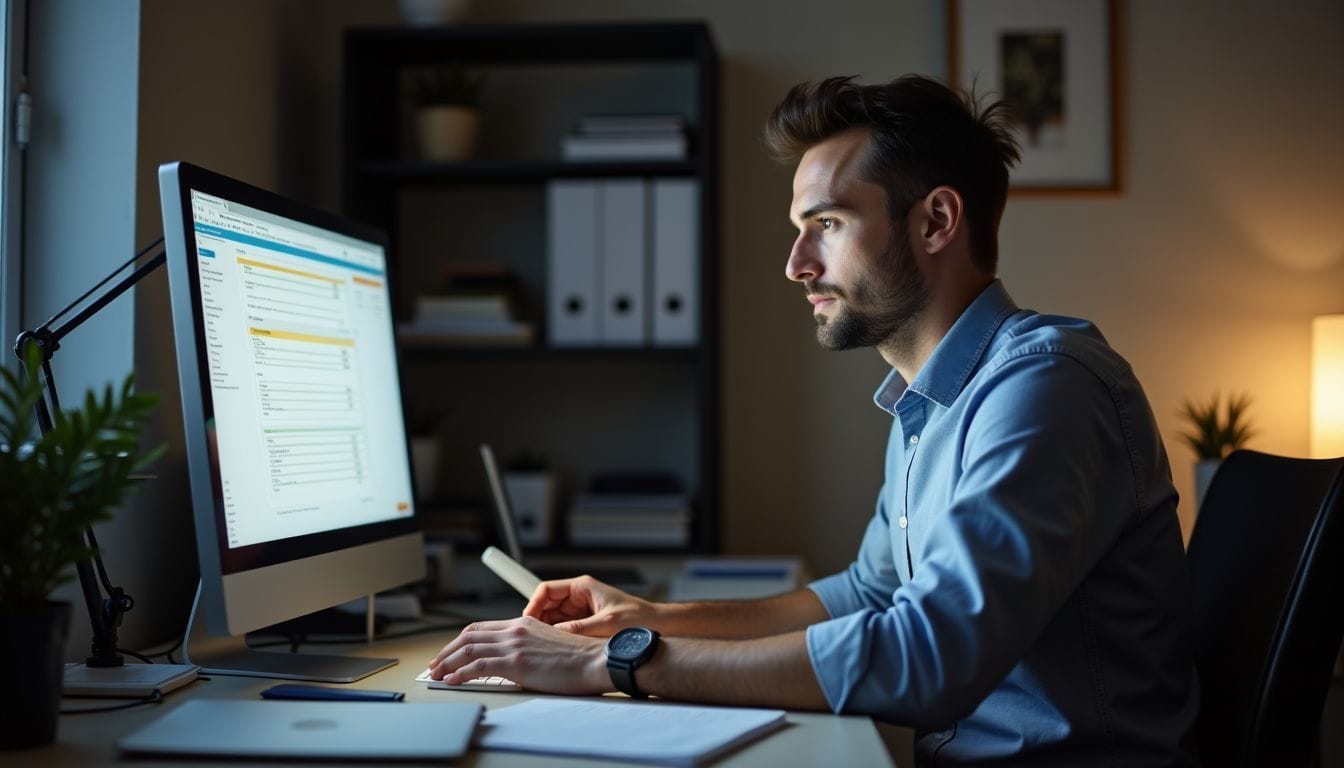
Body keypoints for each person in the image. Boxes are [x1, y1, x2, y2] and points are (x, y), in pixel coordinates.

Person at [428, 74, 1199, 765]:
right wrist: (651, 617)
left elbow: (928, 657)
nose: (797, 264)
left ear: (935, 223)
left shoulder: (1043, 388)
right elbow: (868, 593)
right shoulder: (933, 398)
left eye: (826, 223)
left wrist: (619, 661)